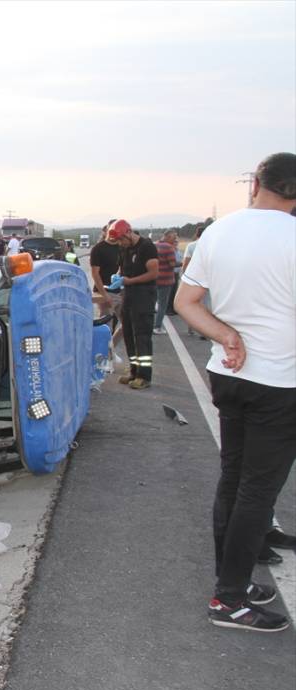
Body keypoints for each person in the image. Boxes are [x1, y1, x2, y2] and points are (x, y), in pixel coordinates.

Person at [174, 151, 296, 633]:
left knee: (234, 478)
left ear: (255, 185)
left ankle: (234, 584)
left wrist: (226, 335)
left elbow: (187, 302)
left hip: (228, 374)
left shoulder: (217, 232)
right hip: (278, 381)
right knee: (256, 491)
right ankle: (228, 598)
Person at [110, 220, 158, 389]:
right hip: (128, 295)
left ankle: (144, 376)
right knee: (129, 334)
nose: (121, 244)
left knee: (142, 336)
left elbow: (153, 273)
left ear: (129, 233)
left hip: (144, 296)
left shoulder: (147, 247)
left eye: (122, 240)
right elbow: (122, 269)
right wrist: (118, 277)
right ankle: (133, 370)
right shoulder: (124, 248)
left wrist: (130, 280)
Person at [152, 230, 178, 334]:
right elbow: (172, 264)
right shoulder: (169, 248)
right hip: (165, 279)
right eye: (173, 237)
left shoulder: (155, 245)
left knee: (152, 303)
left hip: (154, 278)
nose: (175, 239)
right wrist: (183, 263)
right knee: (162, 305)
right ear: (167, 236)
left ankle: (150, 325)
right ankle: (157, 326)